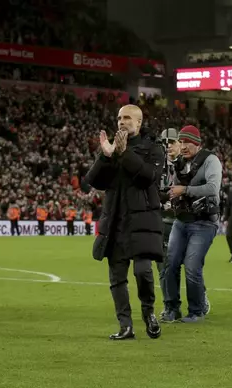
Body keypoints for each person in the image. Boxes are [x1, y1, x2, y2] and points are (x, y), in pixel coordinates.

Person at [85, 104, 164, 341]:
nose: (122, 121)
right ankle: (125, 326)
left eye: (127, 118)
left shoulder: (153, 148)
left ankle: (148, 312)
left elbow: (148, 178)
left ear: (139, 123)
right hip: (115, 221)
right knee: (117, 278)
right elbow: (93, 180)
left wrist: (124, 153)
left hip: (142, 220)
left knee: (143, 271)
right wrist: (107, 156)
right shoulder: (112, 149)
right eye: (119, 117)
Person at [163, 125, 222, 323]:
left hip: (204, 223)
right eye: (182, 142)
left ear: (197, 144)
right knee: (170, 264)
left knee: (191, 265)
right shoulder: (178, 163)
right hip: (181, 220)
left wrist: (185, 190)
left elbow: (213, 188)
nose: (185, 146)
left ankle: (197, 311)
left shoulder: (210, 160)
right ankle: (172, 309)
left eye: (188, 142)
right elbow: (171, 187)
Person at [156, 128, 181, 322]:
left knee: (191, 266)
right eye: (165, 143)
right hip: (161, 222)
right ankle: (170, 306)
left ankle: (199, 296)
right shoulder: (155, 167)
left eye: (172, 142)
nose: (169, 146)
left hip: (184, 222)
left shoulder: (190, 166)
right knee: (164, 267)